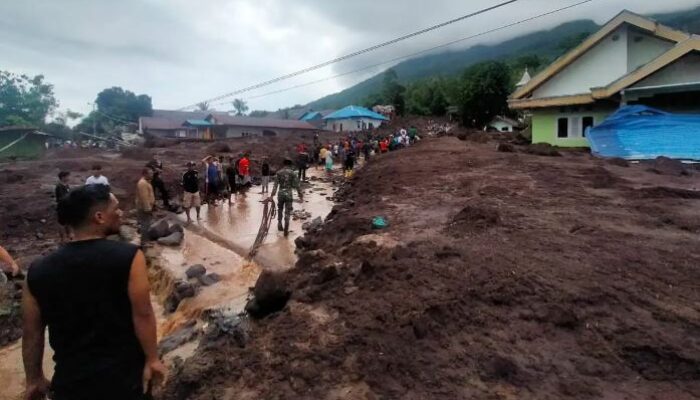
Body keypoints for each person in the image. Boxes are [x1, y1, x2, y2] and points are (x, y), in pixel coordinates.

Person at [23, 184, 167, 400]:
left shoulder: (36, 271)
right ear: (99, 217)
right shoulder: (129, 257)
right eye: (115, 209)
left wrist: (33, 379)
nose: (120, 213)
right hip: (124, 379)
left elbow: (32, 333)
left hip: (70, 384)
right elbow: (143, 313)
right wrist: (152, 359)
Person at [270, 158, 303, 237]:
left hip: (280, 194)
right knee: (287, 211)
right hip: (288, 194)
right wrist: (300, 195)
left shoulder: (278, 173)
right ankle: (286, 228)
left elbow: (275, 185)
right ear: (290, 165)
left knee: (280, 209)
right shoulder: (292, 173)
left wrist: (272, 195)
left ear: (284, 164)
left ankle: (279, 223)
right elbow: (297, 185)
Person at [135, 168, 156, 244]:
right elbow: (144, 197)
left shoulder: (146, 182)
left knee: (146, 224)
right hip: (144, 208)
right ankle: (144, 242)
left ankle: (145, 240)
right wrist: (147, 208)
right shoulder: (142, 183)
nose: (152, 175)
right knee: (145, 224)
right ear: (145, 174)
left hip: (145, 207)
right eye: (150, 173)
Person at [55, 171, 72, 242]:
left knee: (68, 222)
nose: (68, 178)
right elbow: (61, 198)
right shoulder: (59, 187)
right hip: (62, 207)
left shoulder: (66, 185)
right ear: (62, 177)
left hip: (68, 207)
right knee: (62, 223)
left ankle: (69, 236)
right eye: (67, 176)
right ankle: (63, 239)